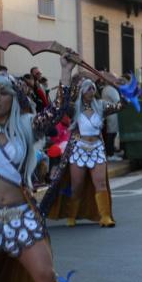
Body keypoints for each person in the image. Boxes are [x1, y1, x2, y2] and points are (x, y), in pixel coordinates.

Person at [0, 57, 83, 282]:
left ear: (13, 98)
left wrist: (66, 73)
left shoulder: (27, 127)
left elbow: (56, 113)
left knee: (45, 276)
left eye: (2, 92)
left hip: (23, 219)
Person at [45, 77, 124, 228]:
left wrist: (127, 96)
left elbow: (118, 106)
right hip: (79, 148)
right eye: (88, 88)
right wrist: (67, 83)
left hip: (97, 148)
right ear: (82, 91)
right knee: (77, 186)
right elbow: (61, 103)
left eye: (93, 88)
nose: (92, 90)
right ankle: (72, 214)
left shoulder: (101, 106)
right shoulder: (74, 108)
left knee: (100, 183)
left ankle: (105, 216)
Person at [101, 84, 122, 161]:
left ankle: (111, 151)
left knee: (111, 134)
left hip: (109, 113)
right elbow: (117, 100)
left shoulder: (105, 89)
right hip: (113, 114)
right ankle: (110, 153)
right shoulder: (110, 89)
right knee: (111, 134)